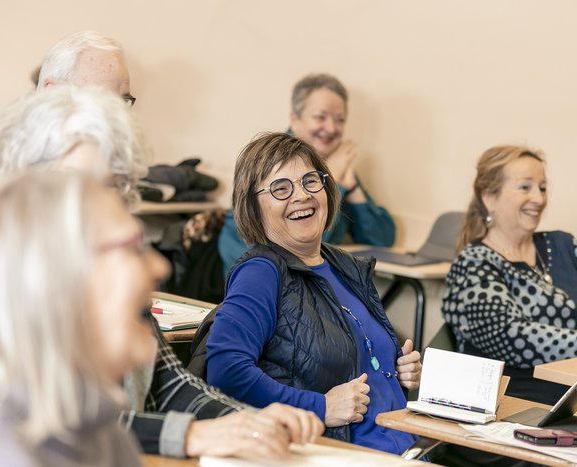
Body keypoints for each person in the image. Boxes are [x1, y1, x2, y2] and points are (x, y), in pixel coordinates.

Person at [0, 171, 322, 464]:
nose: (160, 268)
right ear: (56, 280)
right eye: (132, 250)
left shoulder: (94, 428)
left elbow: (170, 383)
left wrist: (250, 423)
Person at [205, 132, 421, 453]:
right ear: (253, 207)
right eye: (280, 188)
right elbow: (225, 371)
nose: (302, 196)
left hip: (408, 446)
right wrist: (320, 407)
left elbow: (361, 360)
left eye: (310, 181)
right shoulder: (261, 271)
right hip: (345, 454)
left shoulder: (345, 265)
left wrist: (398, 372)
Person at [0, 30, 136, 294]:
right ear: (51, 93)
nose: (117, 115)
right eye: (103, 99)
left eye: (123, 100)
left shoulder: (100, 173)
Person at [218, 73, 396, 276]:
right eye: (320, 117)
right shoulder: (266, 164)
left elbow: (383, 239)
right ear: (294, 119)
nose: (331, 128)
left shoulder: (333, 163)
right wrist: (334, 181)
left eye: (340, 120)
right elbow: (305, 243)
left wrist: (352, 187)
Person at [442, 145, 577, 405]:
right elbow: (512, 336)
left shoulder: (562, 244)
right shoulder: (474, 264)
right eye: (525, 187)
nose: (538, 198)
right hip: (516, 408)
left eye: (543, 187)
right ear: (489, 197)